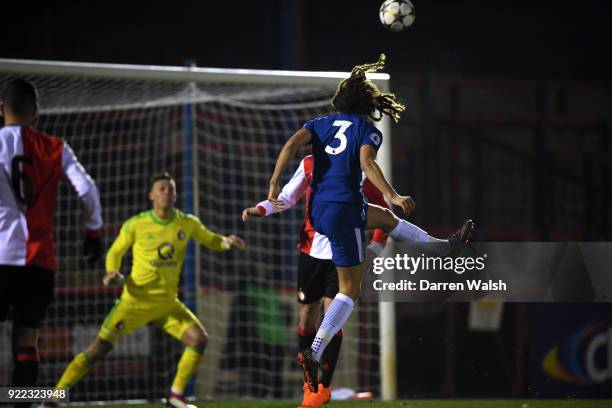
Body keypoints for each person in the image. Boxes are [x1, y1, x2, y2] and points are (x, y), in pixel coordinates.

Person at [266, 54, 474, 395]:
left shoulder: (319, 124)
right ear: (367, 104)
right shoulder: (366, 130)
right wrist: (392, 192)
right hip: (344, 210)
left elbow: (290, 145)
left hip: (320, 211)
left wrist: (274, 183)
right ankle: (313, 351)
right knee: (350, 290)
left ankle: (443, 246)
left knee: (384, 219)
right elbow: (366, 163)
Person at [41, 172, 245, 408]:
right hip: (135, 301)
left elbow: (211, 240)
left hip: (167, 303)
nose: (167, 192)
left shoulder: (187, 223)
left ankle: (176, 396)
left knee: (199, 340)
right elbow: (115, 252)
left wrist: (226, 241)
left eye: (171, 189)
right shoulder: (136, 224)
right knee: (97, 350)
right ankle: (53, 399)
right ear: (151, 195)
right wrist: (112, 272)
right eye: (161, 188)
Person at [242, 154, 389, 408]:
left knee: (332, 316)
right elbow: (287, 197)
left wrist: (373, 252)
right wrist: (262, 209)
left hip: (342, 257)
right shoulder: (311, 163)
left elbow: (385, 216)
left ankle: (324, 386)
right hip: (310, 254)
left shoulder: (362, 171)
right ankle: (309, 385)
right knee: (307, 317)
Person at [0, 78, 104, 408]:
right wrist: (94, 233)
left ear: (2, 110)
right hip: (39, 262)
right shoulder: (56, 147)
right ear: (36, 112)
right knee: (27, 338)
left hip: (0, 258)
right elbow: (87, 190)